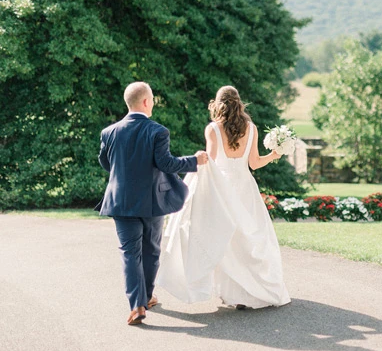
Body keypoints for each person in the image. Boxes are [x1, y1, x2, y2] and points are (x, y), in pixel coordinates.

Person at [157, 85, 291, 309]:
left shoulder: (213, 129)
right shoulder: (251, 128)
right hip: (245, 186)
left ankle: (234, 294)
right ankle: (246, 293)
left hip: (222, 188)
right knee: (246, 239)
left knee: (224, 239)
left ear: (217, 104)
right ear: (239, 102)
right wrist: (274, 155)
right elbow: (254, 164)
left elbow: (210, 162)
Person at [96, 81, 208, 325]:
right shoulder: (158, 131)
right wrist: (195, 160)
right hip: (151, 201)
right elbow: (166, 164)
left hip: (121, 201)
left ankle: (137, 305)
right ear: (146, 102)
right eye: (153, 100)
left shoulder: (109, 132)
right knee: (151, 251)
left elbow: (106, 163)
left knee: (129, 253)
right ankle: (145, 297)